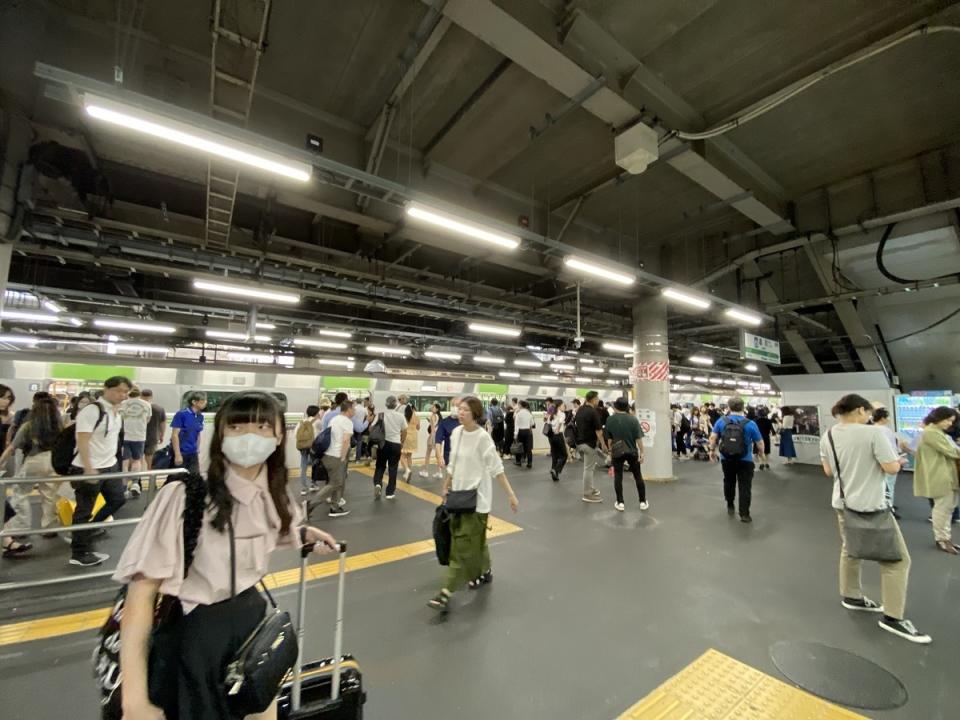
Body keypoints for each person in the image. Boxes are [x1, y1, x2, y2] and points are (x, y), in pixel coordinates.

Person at [113, 390, 338, 719]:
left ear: (279, 436)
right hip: (197, 637)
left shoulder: (274, 491)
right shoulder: (185, 496)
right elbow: (140, 598)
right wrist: (134, 700)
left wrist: (303, 535)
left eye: (263, 427)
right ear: (220, 435)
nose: (250, 436)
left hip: (255, 626)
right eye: (237, 427)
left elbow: (263, 535)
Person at [820, 393, 929, 644]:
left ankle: (852, 596)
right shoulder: (874, 434)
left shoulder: (829, 435)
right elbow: (890, 468)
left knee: (850, 549)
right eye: (869, 413)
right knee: (897, 560)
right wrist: (899, 461)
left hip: (843, 503)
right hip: (871, 504)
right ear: (860, 410)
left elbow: (828, 471)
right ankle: (893, 617)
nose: (870, 417)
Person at [428, 396, 518, 612]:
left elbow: (497, 470)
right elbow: (453, 465)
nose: (460, 413)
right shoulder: (457, 433)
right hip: (457, 498)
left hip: (477, 501)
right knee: (476, 540)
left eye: (465, 410)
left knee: (460, 548)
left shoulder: (483, 438)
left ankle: (445, 592)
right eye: (459, 409)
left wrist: (511, 495)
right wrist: (446, 486)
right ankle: (484, 570)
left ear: (475, 414)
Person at [69, 376, 131, 567]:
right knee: (84, 510)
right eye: (120, 390)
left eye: (126, 392)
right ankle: (79, 553)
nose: (123, 395)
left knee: (118, 499)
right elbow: (82, 439)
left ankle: (88, 531)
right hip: (89, 467)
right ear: (106, 389)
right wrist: (89, 468)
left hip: (109, 466)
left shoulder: (116, 413)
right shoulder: (92, 411)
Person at [0, 392, 62, 543]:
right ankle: (48, 528)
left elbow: (12, 448)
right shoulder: (60, 426)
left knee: (20, 492)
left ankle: (20, 527)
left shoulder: (29, 425)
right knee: (49, 494)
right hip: (54, 461)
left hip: (35, 460)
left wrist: (1, 461)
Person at [912, 406, 960, 555]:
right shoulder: (931, 433)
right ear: (939, 417)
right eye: (947, 420)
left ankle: (945, 538)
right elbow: (952, 451)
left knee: (947, 508)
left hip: (946, 474)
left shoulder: (935, 432)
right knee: (942, 508)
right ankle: (942, 539)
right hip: (940, 475)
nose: (949, 424)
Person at [709, 397, 763, 523]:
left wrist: (711, 451)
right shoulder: (750, 423)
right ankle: (744, 514)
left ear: (728, 407)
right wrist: (760, 454)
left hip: (726, 458)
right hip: (745, 459)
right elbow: (759, 443)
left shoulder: (721, 421)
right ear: (743, 408)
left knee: (729, 481)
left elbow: (713, 438)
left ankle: (730, 503)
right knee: (745, 485)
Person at [604, 397, 647, 512]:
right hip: (632, 451)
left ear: (616, 407)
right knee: (638, 476)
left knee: (618, 477)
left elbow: (609, 439)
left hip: (617, 451)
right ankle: (642, 502)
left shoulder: (610, 420)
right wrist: (642, 452)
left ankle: (620, 502)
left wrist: (609, 451)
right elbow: (638, 438)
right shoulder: (633, 419)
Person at [315, 400, 356, 518]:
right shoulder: (347, 422)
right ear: (348, 410)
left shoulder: (334, 419)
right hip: (336, 456)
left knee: (338, 482)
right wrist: (343, 457)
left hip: (327, 455)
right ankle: (310, 504)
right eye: (353, 409)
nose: (355, 411)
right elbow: (345, 441)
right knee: (336, 483)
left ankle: (335, 507)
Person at [871, 407, 906, 516]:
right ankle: (889, 507)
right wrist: (898, 459)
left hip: (877, 462)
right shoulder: (886, 430)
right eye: (888, 416)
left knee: (882, 485)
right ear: (882, 418)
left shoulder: (871, 429)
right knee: (889, 485)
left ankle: (885, 504)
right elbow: (891, 448)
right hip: (889, 461)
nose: (889, 418)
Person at [372, 396, 407, 500]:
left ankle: (378, 484)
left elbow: (371, 428)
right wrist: (402, 442)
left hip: (383, 444)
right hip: (396, 444)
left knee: (380, 466)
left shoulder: (380, 415)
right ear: (396, 404)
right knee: (393, 468)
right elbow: (405, 431)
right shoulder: (400, 416)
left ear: (386, 404)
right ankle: (390, 493)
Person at [574, 391, 607, 503]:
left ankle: (590, 488)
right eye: (597, 398)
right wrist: (603, 444)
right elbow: (599, 431)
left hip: (579, 443)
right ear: (593, 399)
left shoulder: (580, 410)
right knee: (588, 469)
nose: (598, 401)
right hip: (589, 444)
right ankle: (587, 494)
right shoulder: (593, 412)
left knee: (589, 468)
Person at [120, 388, 152, 497]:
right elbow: (148, 420)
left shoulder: (123, 403)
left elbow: (119, 418)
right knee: (137, 461)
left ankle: (124, 488)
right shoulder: (146, 404)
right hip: (140, 436)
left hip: (125, 436)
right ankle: (134, 483)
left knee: (124, 462)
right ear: (139, 394)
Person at [171, 391, 207, 475]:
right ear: (194, 402)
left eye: (205, 400)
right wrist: (177, 454)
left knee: (194, 477)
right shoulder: (181, 414)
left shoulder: (200, 416)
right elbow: (175, 434)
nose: (205, 403)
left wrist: (197, 449)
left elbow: (198, 433)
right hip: (182, 452)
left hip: (193, 452)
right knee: (177, 478)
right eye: (203, 400)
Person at [295, 405, 320, 494]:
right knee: (315, 465)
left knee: (303, 467)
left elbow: (296, 434)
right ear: (317, 413)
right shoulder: (317, 422)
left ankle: (304, 488)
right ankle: (313, 484)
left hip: (302, 447)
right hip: (313, 446)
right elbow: (321, 434)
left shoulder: (301, 422)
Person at [141, 389, 167, 470]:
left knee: (137, 459)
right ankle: (150, 477)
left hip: (138, 437)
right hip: (153, 437)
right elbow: (163, 423)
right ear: (151, 396)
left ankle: (137, 479)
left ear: (141, 396)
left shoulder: (138, 408)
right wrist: (162, 435)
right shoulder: (159, 408)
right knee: (150, 459)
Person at [434, 398, 462, 472]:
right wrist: (439, 457)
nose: (455, 407)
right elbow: (438, 441)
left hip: (464, 457)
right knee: (452, 478)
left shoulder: (465, 421)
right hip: (449, 457)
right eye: (453, 405)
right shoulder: (444, 423)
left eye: (457, 405)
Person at [420, 402, 443, 479]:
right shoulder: (439, 416)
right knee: (438, 455)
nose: (431, 408)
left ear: (437, 409)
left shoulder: (433, 415)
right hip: (439, 437)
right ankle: (439, 472)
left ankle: (425, 471)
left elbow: (433, 429)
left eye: (433, 407)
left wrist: (430, 437)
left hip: (433, 436)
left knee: (428, 454)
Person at [547, 400, 568, 482]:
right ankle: (555, 469)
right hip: (558, 435)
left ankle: (555, 475)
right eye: (563, 405)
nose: (564, 407)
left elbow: (548, 422)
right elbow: (560, 422)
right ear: (559, 406)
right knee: (564, 455)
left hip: (551, 437)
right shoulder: (562, 414)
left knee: (555, 456)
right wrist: (558, 429)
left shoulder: (552, 413)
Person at [400, 403, 420, 483]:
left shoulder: (404, 417)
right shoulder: (417, 416)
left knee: (401, 456)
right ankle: (409, 471)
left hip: (406, 437)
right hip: (414, 437)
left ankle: (407, 470)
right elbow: (418, 428)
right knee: (409, 456)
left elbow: (403, 428)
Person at [513, 400, 534, 469]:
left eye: (518, 405)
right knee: (528, 448)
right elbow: (532, 424)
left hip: (520, 432)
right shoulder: (529, 413)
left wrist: (515, 434)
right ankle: (529, 463)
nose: (518, 406)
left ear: (521, 405)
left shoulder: (518, 413)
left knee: (519, 447)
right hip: (527, 431)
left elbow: (516, 425)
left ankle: (518, 461)